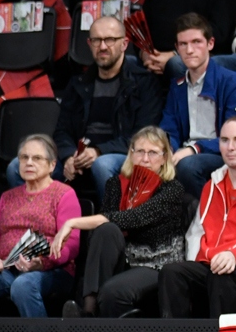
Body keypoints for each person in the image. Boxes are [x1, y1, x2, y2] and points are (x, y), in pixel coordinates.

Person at [160, 115, 236, 317]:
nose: (230, 147)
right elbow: (196, 233)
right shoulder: (212, 184)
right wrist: (195, 263)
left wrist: (233, 254)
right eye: (224, 140)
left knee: (223, 276)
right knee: (172, 272)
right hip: (211, 263)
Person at [56, 126, 187, 318]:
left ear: (165, 158)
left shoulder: (171, 189)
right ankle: (89, 310)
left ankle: (93, 321)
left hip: (156, 263)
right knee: (106, 230)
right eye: (140, 151)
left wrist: (73, 222)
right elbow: (102, 233)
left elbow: (134, 218)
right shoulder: (116, 185)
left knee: (111, 289)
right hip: (122, 259)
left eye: (153, 153)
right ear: (130, 154)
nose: (145, 159)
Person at [0, 136, 81, 317]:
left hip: (52, 270)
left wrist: (42, 263)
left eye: (37, 158)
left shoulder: (64, 194)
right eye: (24, 158)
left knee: (23, 285)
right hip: (8, 268)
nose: (28, 163)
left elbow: (71, 245)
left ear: (52, 165)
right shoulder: (7, 197)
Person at [48, 16, 164, 201]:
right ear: (89, 43)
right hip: (79, 161)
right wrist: (69, 156)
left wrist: (99, 151)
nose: (102, 47)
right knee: (17, 166)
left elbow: (144, 137)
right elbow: (62, 131)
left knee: (102, 165)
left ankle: (116, 226)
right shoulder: (78, 83)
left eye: (110, 40)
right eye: (96, 40)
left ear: (124, 44)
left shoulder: (144, 83)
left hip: (120, 157)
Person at [162, 13, 236, 195]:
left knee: (188, 166)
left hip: (223, 153)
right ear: (177, 48)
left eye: (196, 42)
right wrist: (167, 152)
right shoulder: (177, 86)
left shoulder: (233, 82)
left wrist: (194, 149)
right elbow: (170, 130)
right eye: (183, 44)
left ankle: (211, 218)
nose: (189, 50)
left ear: (210, 44)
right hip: (186, 152)